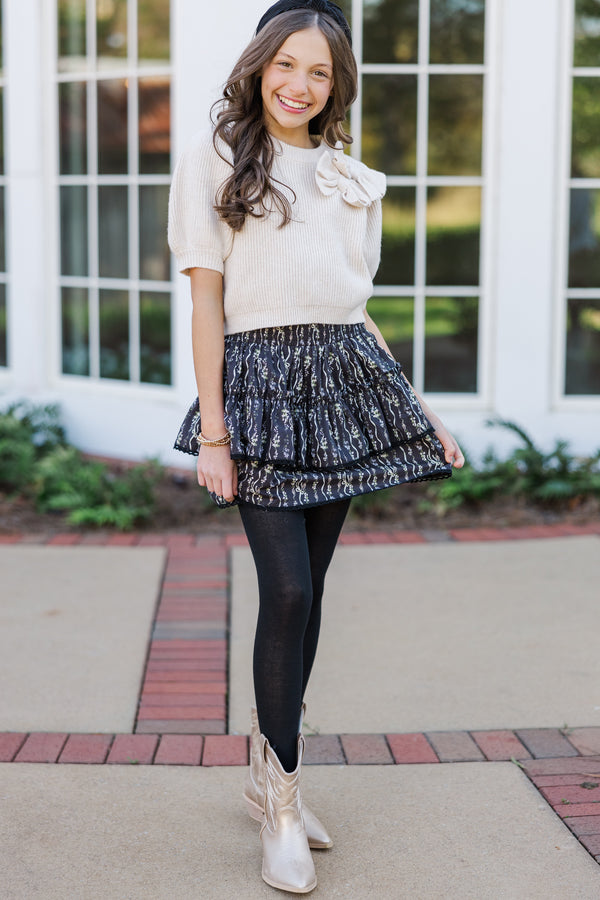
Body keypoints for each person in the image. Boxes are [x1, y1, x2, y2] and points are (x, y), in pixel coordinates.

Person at [168, 0, 464, 892]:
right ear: (260, 66)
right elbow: (207, 303)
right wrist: (214, 434)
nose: (300, 84)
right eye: (286, 65)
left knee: (315, 592)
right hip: (258, 391)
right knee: (287, 590)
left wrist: (422, 411)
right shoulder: (219, 158)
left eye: (321, 72)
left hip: (341, 383)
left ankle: (274, 777)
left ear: (338, 87)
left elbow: (351, 305)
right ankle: (283, 807)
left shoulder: (346, 176)